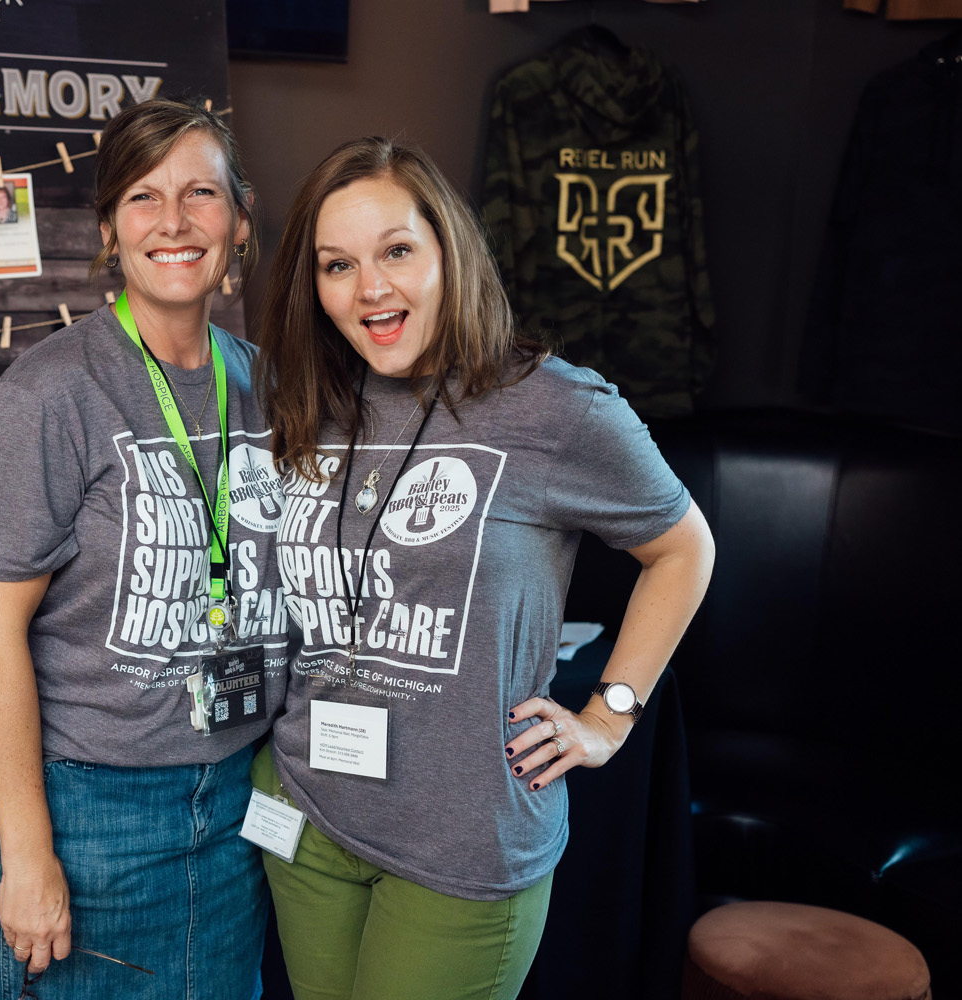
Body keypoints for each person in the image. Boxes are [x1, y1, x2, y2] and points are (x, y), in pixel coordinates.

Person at [252, 137, 716, 1000]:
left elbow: (685, 548)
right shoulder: (312, 400)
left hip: (461, 847)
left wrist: (609, 717)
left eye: (397, 251)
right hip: (307, 813)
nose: (370, 288)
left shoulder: (555, 407)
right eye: (338, 265)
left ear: (450, 251)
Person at [0, 98, 285, 1000]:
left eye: (200, 194)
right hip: (87, 809)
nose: (173, 222)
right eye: (144, 197)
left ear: (241, 220)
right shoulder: (53, 392)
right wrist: (28, 855)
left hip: (237, 797)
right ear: (110, 230)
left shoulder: (267, 382)